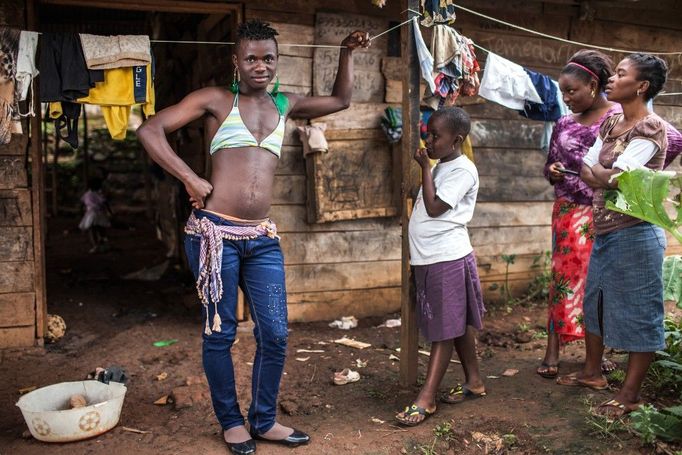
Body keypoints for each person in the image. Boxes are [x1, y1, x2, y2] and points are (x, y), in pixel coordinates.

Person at [137, 20, 370, 455]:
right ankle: (232, 423)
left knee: (276, 333)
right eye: (251, 58)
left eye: (268, 58)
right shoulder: (215, 100)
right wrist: (189, 178)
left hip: (261, 239)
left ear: (276, 61)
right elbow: (149, 130)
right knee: (221, 334)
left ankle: (263, 420)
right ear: (236, 62)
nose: (260, 66)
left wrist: (346, 52)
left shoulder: (287, 103)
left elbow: (341, 99)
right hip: (215, 236)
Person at [558, 54, 670, 419]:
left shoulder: (652, 128)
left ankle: (630, 394)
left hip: (636, 235)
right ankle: (592, 374)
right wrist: (602, 174)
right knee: (595, 303)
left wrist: (601, 174)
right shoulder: (611, 124)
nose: (611, 78)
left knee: (639, 313)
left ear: (641, 86)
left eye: (621, 74)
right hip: (606, 230)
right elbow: (589, 170)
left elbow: (613, 176)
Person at [395, 107, 486, 426]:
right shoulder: (444, 165)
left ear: (457, 140)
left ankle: (427, 398)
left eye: (436, 136)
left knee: (444, 331)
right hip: (430, 257)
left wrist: (424, 167)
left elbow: (434, 208)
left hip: (446, 257)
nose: (428, 140)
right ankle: (474, 381)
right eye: (428, 133)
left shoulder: (462, 170)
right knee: (453, 323)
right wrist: (430, 167)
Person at [537, 50, 621, 379]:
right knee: (562, 281)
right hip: (568, 213)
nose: (566, 98)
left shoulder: (616, 119)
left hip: (604, 213)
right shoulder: (563, 123)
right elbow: (549, 166)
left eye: (572, 91)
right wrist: (554, 171)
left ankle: (596, 354)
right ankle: (552, 349)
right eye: (562, 92)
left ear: (593, 84)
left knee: (598, 284)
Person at [78, 177, 112, 253]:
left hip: (91, 213)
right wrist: (110, 212)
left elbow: (82, 203)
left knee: (92, 229)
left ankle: (96, 245)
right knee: (100, 229)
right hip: (99, 213)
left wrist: (80, 211)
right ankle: (103, 243)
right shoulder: (99, 194)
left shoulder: (87, 194)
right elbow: (105, 203)